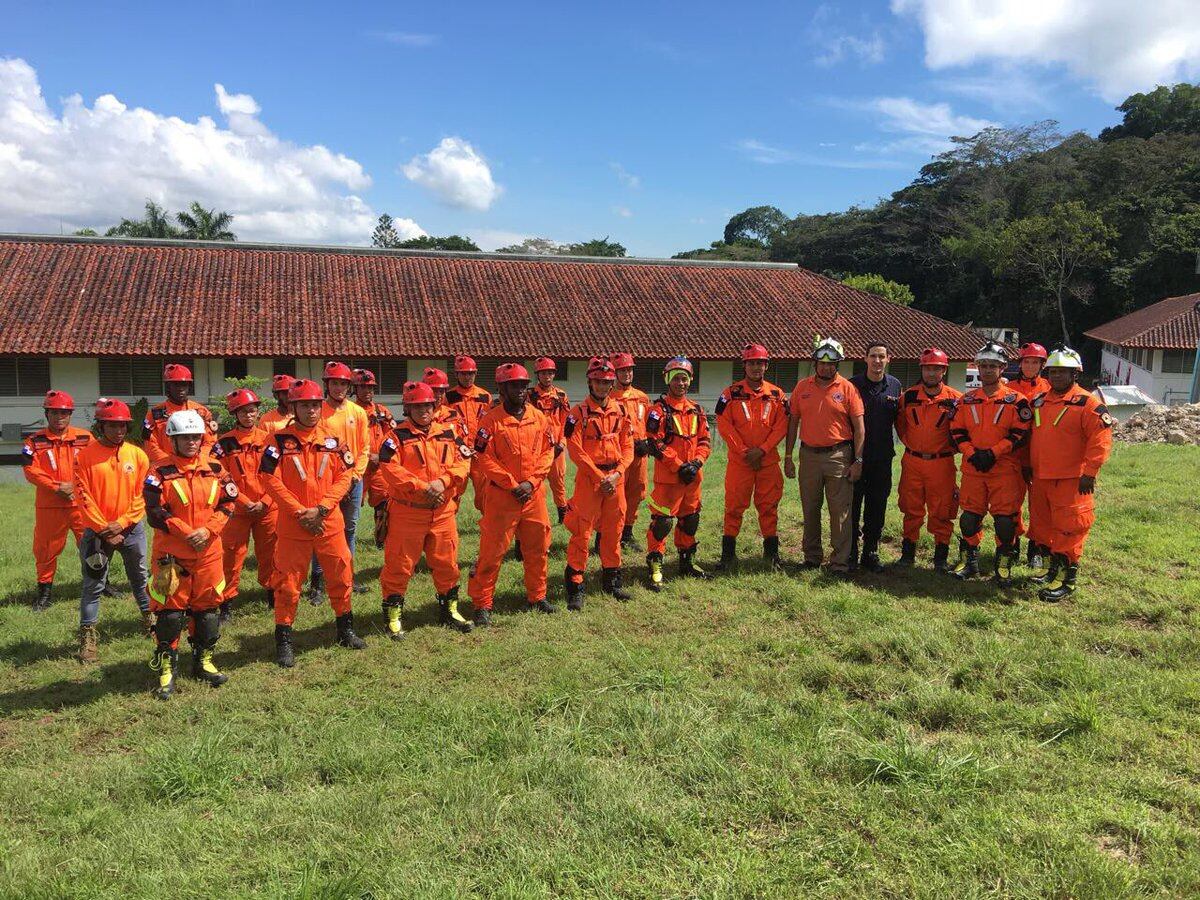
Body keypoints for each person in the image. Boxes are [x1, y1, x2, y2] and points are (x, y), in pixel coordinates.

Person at [260, 378, 366, 667]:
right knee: (287, 583)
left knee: (341, 575)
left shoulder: (333, 439)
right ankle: (284, 639)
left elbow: (346, 475)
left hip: (328, 521)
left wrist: (322, 507)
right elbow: (268, 478)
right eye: (304, 405)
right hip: (294, 525)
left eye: (315, 405)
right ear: (293, 406)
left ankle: (345, 630)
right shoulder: (278, 440)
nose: (311, 410)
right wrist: (298, 512)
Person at [144, 411, 239, 699]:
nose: (191, 442)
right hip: (172, 556)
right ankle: (166, 669)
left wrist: (209, 531)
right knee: (170, 614)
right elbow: (154, 512)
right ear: (172, 439)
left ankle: (203, 662)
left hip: (209, 553)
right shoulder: (157, 472)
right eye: (184, 437)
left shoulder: (216, 469)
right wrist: (186, 532)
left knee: (208, 612)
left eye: (196, 437)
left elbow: (229, 502)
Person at [377, 381, 474, 638]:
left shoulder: (450, 433)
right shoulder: (395, 437)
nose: (423, 411)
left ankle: (450, 610)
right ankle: (393, 617)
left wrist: (442, 483)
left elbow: (463, 462)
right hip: (408, 512)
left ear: (435, 406)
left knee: (447, 564)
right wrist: (422, 488)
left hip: (442, 512)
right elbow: (390, 470)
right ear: (408, 408)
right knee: (399, 565)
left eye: (427, 405)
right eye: (417, 406)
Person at [467, 363, 557, 624]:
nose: (519, 390)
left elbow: (547, 452)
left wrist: (531, 482)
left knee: (538, 548)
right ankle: (482, 603)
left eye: (522, 385)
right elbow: (484, 457)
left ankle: (537, 596)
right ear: (501, 388)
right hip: (501, 498)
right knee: (491, 553)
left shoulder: (539, 418)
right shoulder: (490, 421)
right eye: (513, 385)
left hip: (533, 495)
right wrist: (511, 484)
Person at [1028, 347, 1113, 601]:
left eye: (1063, 372)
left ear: (1075, 374)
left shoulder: (1089, 404)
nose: (1056, 376)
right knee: (1045, 527)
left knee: (1069, 528)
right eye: (1053, 371)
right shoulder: (1040, 400)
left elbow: (1101, 439)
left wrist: (1090, 472)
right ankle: (1051, 570)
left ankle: (1068, 580)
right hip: (1041, 478)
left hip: (1071, 480)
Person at [73, 398, 154, 663]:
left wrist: (123, 522)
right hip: (97, 533)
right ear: (100, 426)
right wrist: (105, 529)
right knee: (93, 584)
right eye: (113, 426)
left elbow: (144, 494)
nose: (119, 431)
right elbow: (82, 496)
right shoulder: (85, 456)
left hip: (131, 530)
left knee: (140, 579)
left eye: (123, 426)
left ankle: (150, 622)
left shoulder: (138, 454)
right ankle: (88, 636)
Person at [947, 341, 1033, 584]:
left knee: (1005, 522)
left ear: (1003, 367)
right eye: (983, 365)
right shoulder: (966, 400)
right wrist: (971, 452)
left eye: (992, 366)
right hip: (974, 467)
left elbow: (1020, 433)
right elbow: (956, 430)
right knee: (969, 518)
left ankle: (1003, 564)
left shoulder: (1017, 401)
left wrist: (993, 453)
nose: (986, 370)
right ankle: (969, 561)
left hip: (1005, 469)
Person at [783, 338, 865, 576]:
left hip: (838, 455)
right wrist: (788, 456)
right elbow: (793, 422)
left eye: (831, 364)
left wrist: (858, 460)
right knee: (810, 508)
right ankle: (811, 557)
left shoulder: (848, 389)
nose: (826, 368)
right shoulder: (802, 388)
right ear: (815, 362)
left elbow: (859, 428)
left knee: (839, 511)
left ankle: (839, 562)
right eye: (822, 363)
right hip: (808, 455)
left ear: (838, 364)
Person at [563, 357, 634, 609]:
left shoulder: (622, 411)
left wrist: (617, 473)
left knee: (614, 531)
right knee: (582, 532)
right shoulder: (577, 414)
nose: (603, 386)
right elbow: (575, 450)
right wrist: (599, 477)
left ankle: (612, 581)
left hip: (615, 480)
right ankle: (576, 586)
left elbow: (628, 447)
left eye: (607, 382)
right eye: (598, 381)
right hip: (590, 482)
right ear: (589, 382)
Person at [714, 343, 788, 572]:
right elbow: (724, 425)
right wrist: (744, 451)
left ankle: (771, 555)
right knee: (734, 507)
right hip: (740, 463)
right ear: (744, 365)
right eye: (752, 363)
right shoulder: (730, 394)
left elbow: (782, 425)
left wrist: (763, 449)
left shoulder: (777, 394)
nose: (756, 367)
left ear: (766, 366)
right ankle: (728, 555)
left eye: (760, 363)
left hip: (768, 463)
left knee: (768, 507)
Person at [644, 356, 711, 590]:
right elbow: (654, 442)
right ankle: (655, 564)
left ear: (690, 381)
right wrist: (679, 465)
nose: (680, 383)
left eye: (684, 379)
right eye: (676, 379)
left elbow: (705, 440)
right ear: (667, 380)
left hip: (693, 478)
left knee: (690, 521)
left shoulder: (697, 410)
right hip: (669, 479)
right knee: (662, 522)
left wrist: (696, 463)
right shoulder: (658, 410)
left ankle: (687, 562)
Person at [22, 390, 91, 611]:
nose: (59, 417)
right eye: (54, 412)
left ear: (70, 414)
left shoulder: (86, 438)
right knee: (45, 550)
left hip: (81, 504)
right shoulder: (34, 441)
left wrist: (76, 486)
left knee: (92, 546)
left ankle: (101, 584)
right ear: (46, 414)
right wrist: (56, 487)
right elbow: (29, 470)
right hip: (50, 506)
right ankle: (44, 592)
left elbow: (97, 465)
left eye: (64, 412)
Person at [894, 347, 962, 571]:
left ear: (944, 371)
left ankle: (940, 557)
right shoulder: (909, 397)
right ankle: (907, 553)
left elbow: (962, 430)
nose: (932, 374)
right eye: (928, 369)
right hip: (912, 461)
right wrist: (913, 446)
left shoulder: (955, 399)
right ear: (922, 370)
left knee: (941, 510)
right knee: (910, 508)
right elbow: (901, 426)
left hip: (941, 463)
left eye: (937, 369)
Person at [214, 388, 278, 619]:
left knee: (270, 551)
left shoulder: (269, 440)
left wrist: (266, 501)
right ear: (235, 413)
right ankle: (226, 601)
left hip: (267, 507)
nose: (248, 415)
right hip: (236, 509)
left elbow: (279, 474)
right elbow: (220, 476)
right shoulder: (224, 444)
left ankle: (273, 593)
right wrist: (242, 500)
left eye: (252, 411)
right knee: (231, 554)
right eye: (243, 412)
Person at [309, 361, 370, 601]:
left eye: (343, 383)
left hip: (354, 480)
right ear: (327, 385)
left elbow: (365, 447)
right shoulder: (318, 413)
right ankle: (318, 582)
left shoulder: (358, 413)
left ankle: (347, 577)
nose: (339, 388)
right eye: (334, 383)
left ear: (349, 386)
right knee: (321, 529)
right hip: (327, 482)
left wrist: (356, 475)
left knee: (350, 529)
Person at [849, 342, 902, 572]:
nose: (877, 361)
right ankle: (850, 552)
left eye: (881, 356)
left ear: (888, 359)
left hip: (882, 458)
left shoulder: (895, 386)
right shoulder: (852, 385)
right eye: (873, 356)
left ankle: (870, 552)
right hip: (855, 457)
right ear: (865, 358)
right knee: (851, 507)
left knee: (877, 507)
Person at [1009, 342, 1052, 569]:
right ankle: (1012, 544)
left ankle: (1036, 548)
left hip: (1039, 457)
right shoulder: (1008, 389)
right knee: (1012, 503)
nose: (1030, 366)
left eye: (1035, 362)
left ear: (1042, 365)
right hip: (1014, 455)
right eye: (1027, 361)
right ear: (1020, 363)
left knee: (1039, 507)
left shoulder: (1050, 389)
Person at [609, 352, 650, 550]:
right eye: (622, 370)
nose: (626, 374)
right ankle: (607, 534)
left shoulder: (641, 397)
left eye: (629, 370)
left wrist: (647, 441)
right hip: (618, 455)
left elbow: (647, 424)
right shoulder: (608, 398)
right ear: (614, 373)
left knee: (636, 492)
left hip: (640, 454)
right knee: (615, 495)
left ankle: (627, 533)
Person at [142, 363, 217, 467]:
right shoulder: (155, 413)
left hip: (197, 466)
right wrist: (168, 463)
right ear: (168, 387)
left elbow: (210, 441)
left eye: (184, 384)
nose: (181, 388)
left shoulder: (202, 412)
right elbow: (150, 444)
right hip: (167, 468)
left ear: (189, 386)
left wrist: (200, 460)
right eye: (176, 384)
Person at [445, 355, 494, 515]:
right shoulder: (448, 397)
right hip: (459, 453)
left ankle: (488, 522)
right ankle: (449, 522)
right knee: (454, 490)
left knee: (485, 492)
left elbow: (492, 424)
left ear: (475, 374)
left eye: (470, 373)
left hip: (480, 452)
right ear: (456, 375)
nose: (467, 377)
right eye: (464, 373)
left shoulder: (485, 396)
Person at [529, 357, 571, 524]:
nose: (547, 376)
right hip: (537, 447)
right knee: (536, 482)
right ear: (537, 375)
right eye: (543, 373)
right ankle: (535, 514)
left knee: (558, 482)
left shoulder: (561, 396)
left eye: (550, 373)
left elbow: (565, 422)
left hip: (556, 447)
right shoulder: (529, 396)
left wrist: (562, 443)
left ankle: (563, 515)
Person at [353, 368, 396, 510]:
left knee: (385, 506)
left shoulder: (381, 412)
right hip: (356, 468)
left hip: (378, 467)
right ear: (355, 388)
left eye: (370, 387)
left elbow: (394, 439)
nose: (367, 391)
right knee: (351, 508)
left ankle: (381, 532)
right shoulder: (349, 412)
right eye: (363, 387)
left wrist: (381, 456)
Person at [424, 367, 467, 439]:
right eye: (434, 391)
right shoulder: (420, 417)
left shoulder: (453, 415)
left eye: (441, 391)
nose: (438, 395)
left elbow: (463, 441)